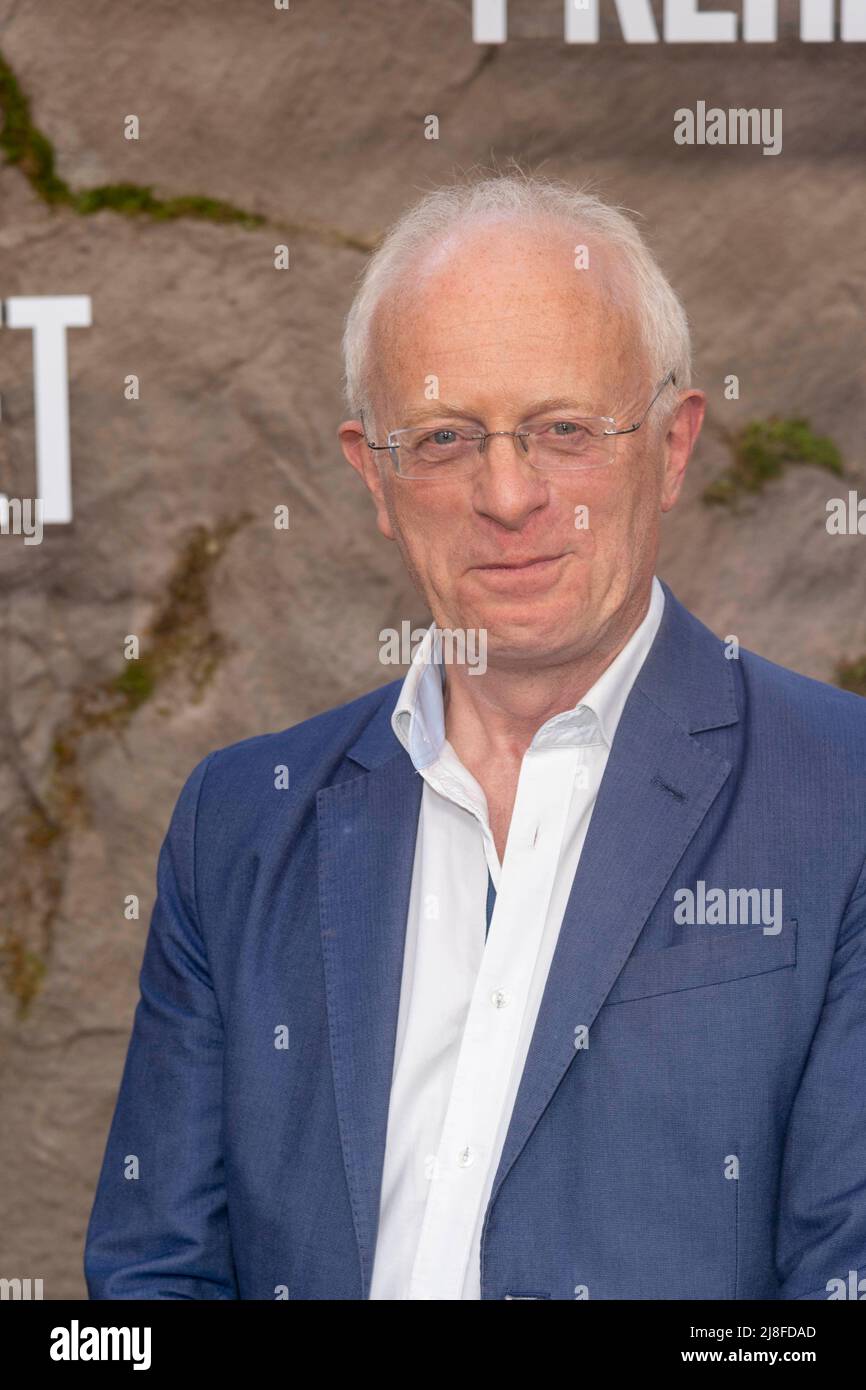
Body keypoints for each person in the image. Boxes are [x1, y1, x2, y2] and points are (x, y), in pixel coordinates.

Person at [85, 173, 866, 1300]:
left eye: (563, 429)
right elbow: (152, 1275)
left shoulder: (838, 794)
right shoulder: (240, 821)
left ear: (673, 442)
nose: (506, 494)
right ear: (374, 476)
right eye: (446, 437)